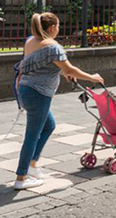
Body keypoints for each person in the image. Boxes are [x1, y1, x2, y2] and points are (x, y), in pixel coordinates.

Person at [14, 13, 104, 190]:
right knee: (32, 135)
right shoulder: (53, 47)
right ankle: (21, 177)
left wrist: (66, 73)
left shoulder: (30, 41)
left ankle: (32, 164)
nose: (59, 29)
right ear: (52, 28)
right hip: (39, 94)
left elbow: (47, 65)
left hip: (25, 90)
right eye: (58, 26)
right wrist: (92, 78)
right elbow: (69, 68)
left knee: (49, 125)